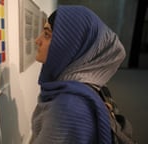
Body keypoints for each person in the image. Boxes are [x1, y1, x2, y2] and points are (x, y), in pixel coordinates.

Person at [30, 5, 126, 144]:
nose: (37, 41)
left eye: (47, 34)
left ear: (69, 45)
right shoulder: (82, 88)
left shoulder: (68, 107)